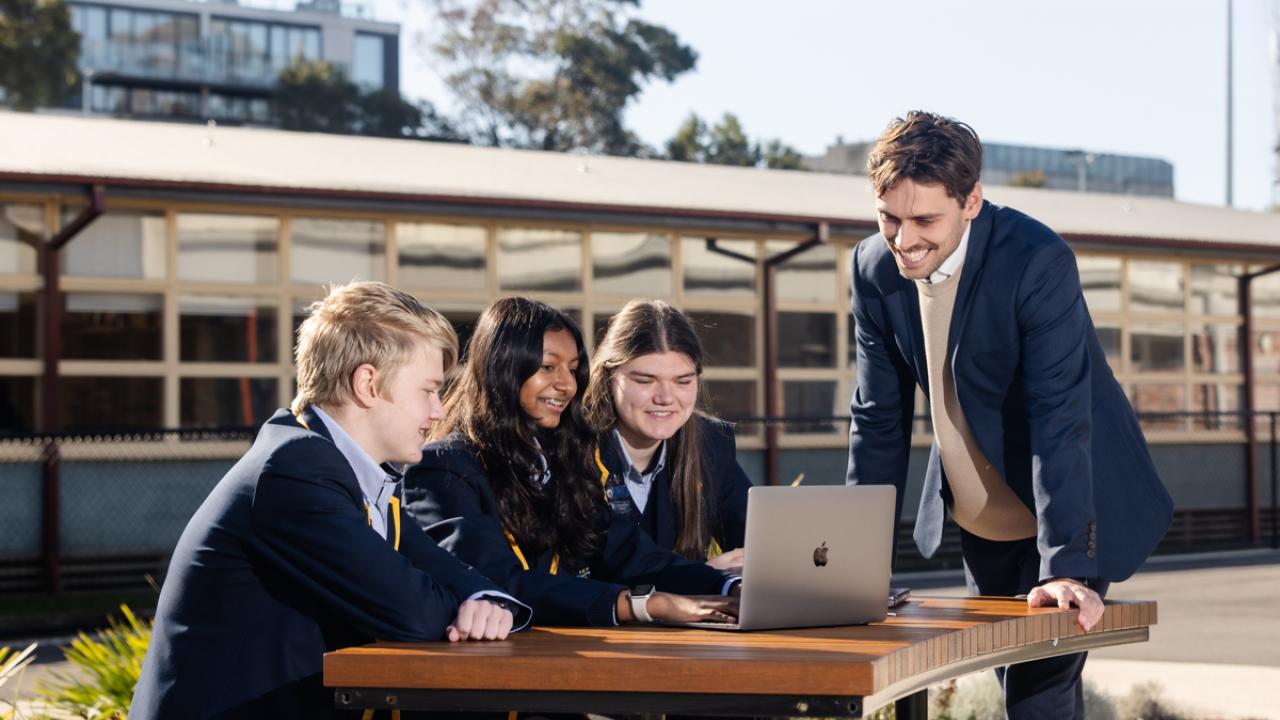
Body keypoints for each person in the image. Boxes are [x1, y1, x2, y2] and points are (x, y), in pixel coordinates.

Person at [845, 111, 1173, 719]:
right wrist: (849, 562)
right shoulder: (871, 271)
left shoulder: (1036, 260)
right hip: (981, 519)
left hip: (1071, 506)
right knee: (1012, 681)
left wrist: (1067, 567)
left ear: (972, 201)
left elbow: (1060, 415)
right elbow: (878, 419)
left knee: (1037, 694)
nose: (903, 239)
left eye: (924, 220)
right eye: (888, 217)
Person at [131, 282, 529, 720]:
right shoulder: (295, 469)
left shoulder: (343, 470)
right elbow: (412, 611)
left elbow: (451, 573)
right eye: (428, 390)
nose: (437, 412)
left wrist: (487, 602)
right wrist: (472, 608)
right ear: (368, 384)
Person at [403, 297, 739, 627]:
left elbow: (628, 553)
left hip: (564, 653)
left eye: (574, 368)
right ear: (503, 367)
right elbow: (500, 585)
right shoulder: (442, 468)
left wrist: (728, 586)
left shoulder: (557, 460)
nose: (566, 384)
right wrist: (643, 605)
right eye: (548, 367)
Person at [581, 298, 752, 574]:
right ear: (609, 376)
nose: (665, 398)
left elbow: (757, 542)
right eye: (645, 381)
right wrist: (702, 575)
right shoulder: (572, 447)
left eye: (683, 381)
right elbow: (609, 567)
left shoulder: (712, 445)